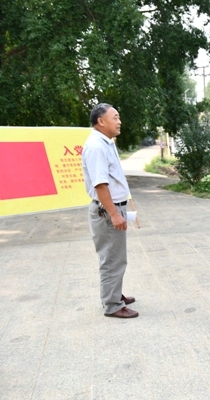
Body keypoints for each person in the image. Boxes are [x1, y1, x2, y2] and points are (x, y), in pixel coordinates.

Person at [82, 103, 138, 319]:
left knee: (116, 257)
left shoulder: (106, 143)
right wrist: (114, 213)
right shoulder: (97, 146)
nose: (119, 121)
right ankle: (112, 305)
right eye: (115, 117)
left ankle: (114, 294)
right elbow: (100, 184)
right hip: (107, 212)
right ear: (101, 121)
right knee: (111, 259)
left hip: (113, 208)